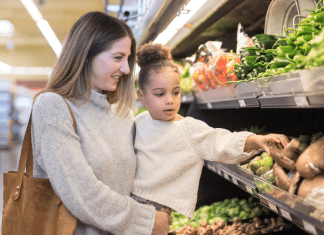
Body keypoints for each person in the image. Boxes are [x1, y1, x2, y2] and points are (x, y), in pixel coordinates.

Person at [31, 12, 171, 235]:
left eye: (128, 59)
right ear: (86, 55)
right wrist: (147, 220)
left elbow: (126, 184)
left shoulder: (123, 114)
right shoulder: (52, 107)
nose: (126, 69)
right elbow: (83, 194)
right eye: (118, 58)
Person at [131, 42, 289, 220]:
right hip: (133, 205)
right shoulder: (138, 122)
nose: (170, 100)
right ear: (141, 97)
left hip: (159, 212)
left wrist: (256, 140)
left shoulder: (187, 128)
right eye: (160, 94)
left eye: (175, 93)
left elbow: (220, 141)